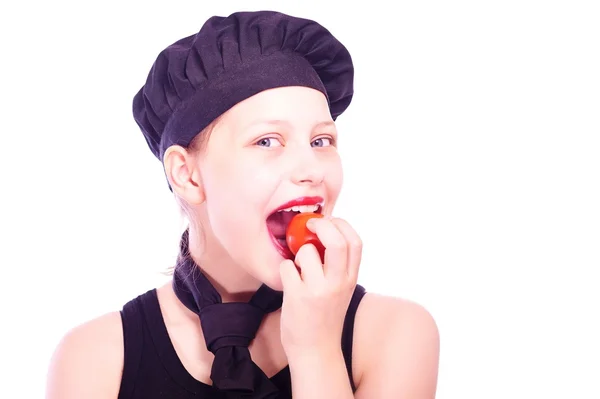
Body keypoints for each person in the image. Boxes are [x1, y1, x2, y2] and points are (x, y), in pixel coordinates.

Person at [46, 10, 440, 399]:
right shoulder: (94, 359)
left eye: (321, 141)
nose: (311, 170)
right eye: (267, 140)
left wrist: (315, 350)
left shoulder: (396, 334)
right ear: (188, 175)